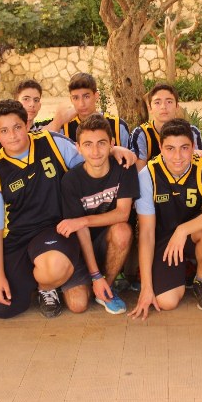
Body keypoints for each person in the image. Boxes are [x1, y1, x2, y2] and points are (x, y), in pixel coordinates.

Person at [0, 99, 135, 319]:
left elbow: (90, 153)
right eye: (4, 130)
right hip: (17, 238)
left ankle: (46, 286)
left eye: (17, 127)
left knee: (59, 273)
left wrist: (114, 149)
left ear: (27, 125)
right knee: (3, 309)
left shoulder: (51, 142)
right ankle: (40, 279)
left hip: (55, 230)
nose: (12, 135)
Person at [129, 119, 202, 319]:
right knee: (167, 302)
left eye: (184, 148)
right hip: (163, 240)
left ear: (193, 147)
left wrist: (183, 230)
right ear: (160, 148)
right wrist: (146, 287)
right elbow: (147, 234)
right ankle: (181, 270)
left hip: (194, 234)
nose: (177, 156)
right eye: (170, 148)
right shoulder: (148, 175)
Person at [57, 114, 140, 314]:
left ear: (111, 144)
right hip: (81, 246)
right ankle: (91, 280)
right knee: (78, 305)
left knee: (122, 231)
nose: (95, 151)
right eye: (88, 144)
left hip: (108, 241)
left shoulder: (124, 168)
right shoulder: (71, 180)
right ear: (78, 147)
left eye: (101, 143)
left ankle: (107, 287)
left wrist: (82, 220)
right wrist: (95, 275)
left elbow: (122, 214)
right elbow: (80, 230)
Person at [129, 83, 202, 171]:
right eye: (157, 102)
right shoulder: (141, 134)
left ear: (177, 106)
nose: (163, 107)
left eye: (169, 102)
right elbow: (140, 172)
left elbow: (199, 166)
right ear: (150, 108)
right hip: (153, 179)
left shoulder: (191, 131)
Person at [61, 72, 130, 147]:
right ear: (71, 99)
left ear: (96, 96)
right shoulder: (64, 129)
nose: (81, 104)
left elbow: (128, 154)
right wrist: (57, 122)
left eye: (86, 97)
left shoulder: (118, 126)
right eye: (76, 98)